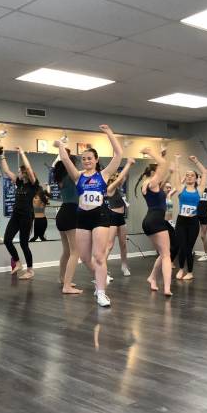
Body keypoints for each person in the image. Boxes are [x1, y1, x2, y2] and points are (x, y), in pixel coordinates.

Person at [54, 124, 123, 307]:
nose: (86, 161)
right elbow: (65, 159)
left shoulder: (104, 175)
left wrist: (109, 133)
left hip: (100, 216)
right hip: (82, 217)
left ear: (96, 159)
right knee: (84, 257)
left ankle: (101, 293)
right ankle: (102, 278)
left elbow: (118, 155)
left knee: (99, 257)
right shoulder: (77, 177)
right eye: (84, 159)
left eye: (89, 158)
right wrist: (61, 145)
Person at [136, 147, 172, 296]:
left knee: (163, 253)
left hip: (149, 221)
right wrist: (151, 152)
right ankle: (167, 288)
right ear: (153, 173)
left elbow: (162, 177)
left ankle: (152, 278)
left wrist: (168, 170)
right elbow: (162, 164)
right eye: (158, 173)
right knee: (166, 255)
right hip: (156, 220)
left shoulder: (148, 185)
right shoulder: (152, 183)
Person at [0, 146, 39, 280]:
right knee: (7, 240)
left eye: (19, 171)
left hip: (26, 216)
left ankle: (30, 269)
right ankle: (17, 263)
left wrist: (22, 153)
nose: (17, 173)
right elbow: (6, 170)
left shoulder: (33, 185)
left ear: (24, 173)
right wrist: (2, 155)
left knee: (23, 244)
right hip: (16, 215)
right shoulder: (19, 183)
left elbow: (28, 168)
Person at [173, 155, 207, 280]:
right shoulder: (181, 188)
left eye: (192, 175)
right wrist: (177, 160)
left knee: (189, 247)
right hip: (181, 221)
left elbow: (204, 172)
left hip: (193, 222)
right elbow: (176, 173)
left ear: (195, 178)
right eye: (187, 175)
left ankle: (190, 272)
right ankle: (181, 269)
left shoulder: (199, 190)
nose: (189, 176)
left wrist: (196, 161)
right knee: (182, 246)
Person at [54, 151, 83, 295]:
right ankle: (67, 286)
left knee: (67, 251)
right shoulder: (72, 176)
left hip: (62, 213)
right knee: (75, 252)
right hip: (71, 213)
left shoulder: (62, 177)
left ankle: (62, 278)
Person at [105, 158, 135, 276]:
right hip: (112, 217)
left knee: (123, 244)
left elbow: (123, 177)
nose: (122, 180)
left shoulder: (119, 190)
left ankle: (124, 266)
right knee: (110, 245)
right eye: (119, 179)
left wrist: (128, 168)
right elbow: (119, 179)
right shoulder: (110, 189)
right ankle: (103, 269)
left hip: (120, 218)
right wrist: (128, 164)